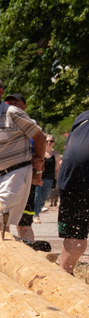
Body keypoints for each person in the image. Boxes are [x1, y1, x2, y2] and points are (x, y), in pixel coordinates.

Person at [0, 78, 48, 241]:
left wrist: (38, 166)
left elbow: (39, 136)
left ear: (0, 93)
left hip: (14, 173)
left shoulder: (13, 113)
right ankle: (10, 254)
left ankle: (2, 255)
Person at [56, 116, 89, 274]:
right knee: (74, 235)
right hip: (72, 181)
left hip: (73, 179)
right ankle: (65, 274)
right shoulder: (83, 117)